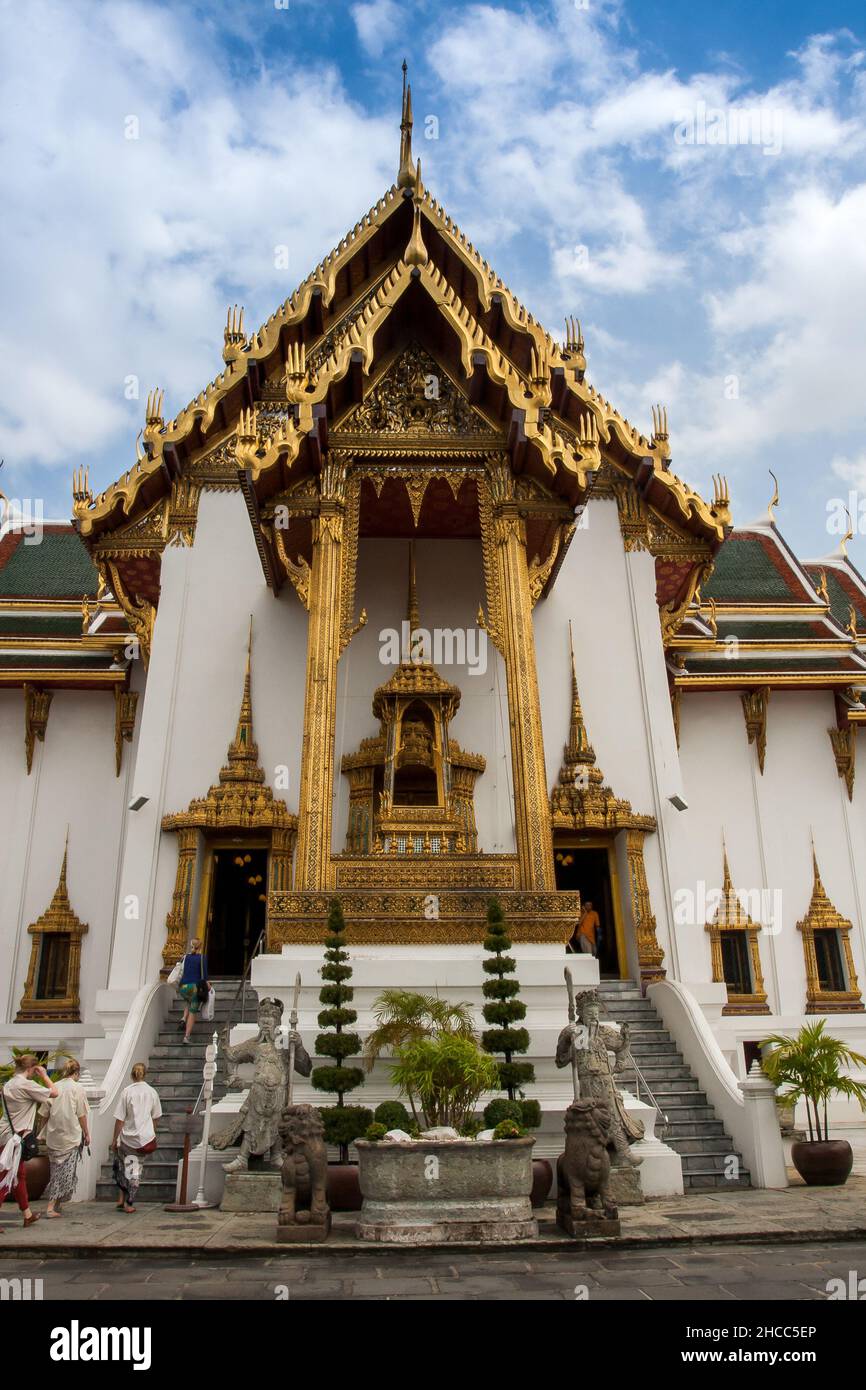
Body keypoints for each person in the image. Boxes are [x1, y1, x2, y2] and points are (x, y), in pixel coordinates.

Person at [0, 1053, 59, 1229]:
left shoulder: (9, 1084)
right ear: (30, 1069)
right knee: (4, 1177)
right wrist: (44, 1076)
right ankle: (27, 1214)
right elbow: (55, 1092)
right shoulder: (26, 1084)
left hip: (5, 1134)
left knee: (19, 1176)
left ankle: (27, 1214)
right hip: (16, 1139)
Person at [112, 1062, 162, 1212]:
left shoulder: (127, 1092)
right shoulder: (152, 1092)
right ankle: (127, 1202)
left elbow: (120, 1119)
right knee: (133, 1170)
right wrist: (153, 1131)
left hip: (128, 1138)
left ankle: (123, 1199)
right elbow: (156, 1116)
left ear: (132, 1075)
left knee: (124, 1167)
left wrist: (114, 1138)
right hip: (144, 1139)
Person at [44, 1059, 91, 1218]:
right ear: (76, 1073)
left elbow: (44, 1112)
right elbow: (81, 1114)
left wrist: (40, 1132)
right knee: (63, 1173)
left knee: (56, 1171)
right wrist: (87, 1133)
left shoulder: (54, 1085)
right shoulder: (77, 1088)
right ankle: (51, 1206)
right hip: (70, 1136)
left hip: (53, 1135)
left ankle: (56, 1205)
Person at [177, 937, 209, 1043]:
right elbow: (204, 976)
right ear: (200, 947)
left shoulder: (185, 957)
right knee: (193, 1011)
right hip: (194, 987)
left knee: (188, 1000)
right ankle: (187, 1036)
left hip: (183, 987)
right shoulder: (201, 958)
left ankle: (183, 1018)